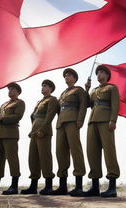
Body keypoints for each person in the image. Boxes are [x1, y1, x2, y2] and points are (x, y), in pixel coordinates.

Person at [49, 68, 87, 197]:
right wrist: (59, 121)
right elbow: (59, 109)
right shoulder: (63, 93)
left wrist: (80, 119)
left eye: (69, 75)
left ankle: (78, 185)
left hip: (72, 121)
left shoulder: (79, 90)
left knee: (75, 151)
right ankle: (62, 185)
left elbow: (83, 104)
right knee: (60, 153)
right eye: (65, 75)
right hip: (61, 123)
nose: (66, 77)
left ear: (75, 78)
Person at [84, 65, 120, 198]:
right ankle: (95, 186)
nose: (99, 75)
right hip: (92, 121)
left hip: (106, 120)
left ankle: (112, 187)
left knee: (109, 151)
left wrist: (113, 120)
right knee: (92, 152)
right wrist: (87, 90)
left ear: (107, 75)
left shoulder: (112, 88)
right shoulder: (93, 90)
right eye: (97, 73)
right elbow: (88, 104)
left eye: (101, 72)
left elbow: (115, 104)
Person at [21, 80, 58, 195]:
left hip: (43, 132)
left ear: (51, 88)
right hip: (34, 132)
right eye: (42, 86)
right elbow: (33, 116)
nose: (42, 88)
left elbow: (50, 116)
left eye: (45, 86)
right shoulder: (39, 101)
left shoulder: (52, 99)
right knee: (33, 158)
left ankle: (48, 185)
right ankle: (33, 185)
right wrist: (33, 130)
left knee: (45, 157)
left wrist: (42, 129)